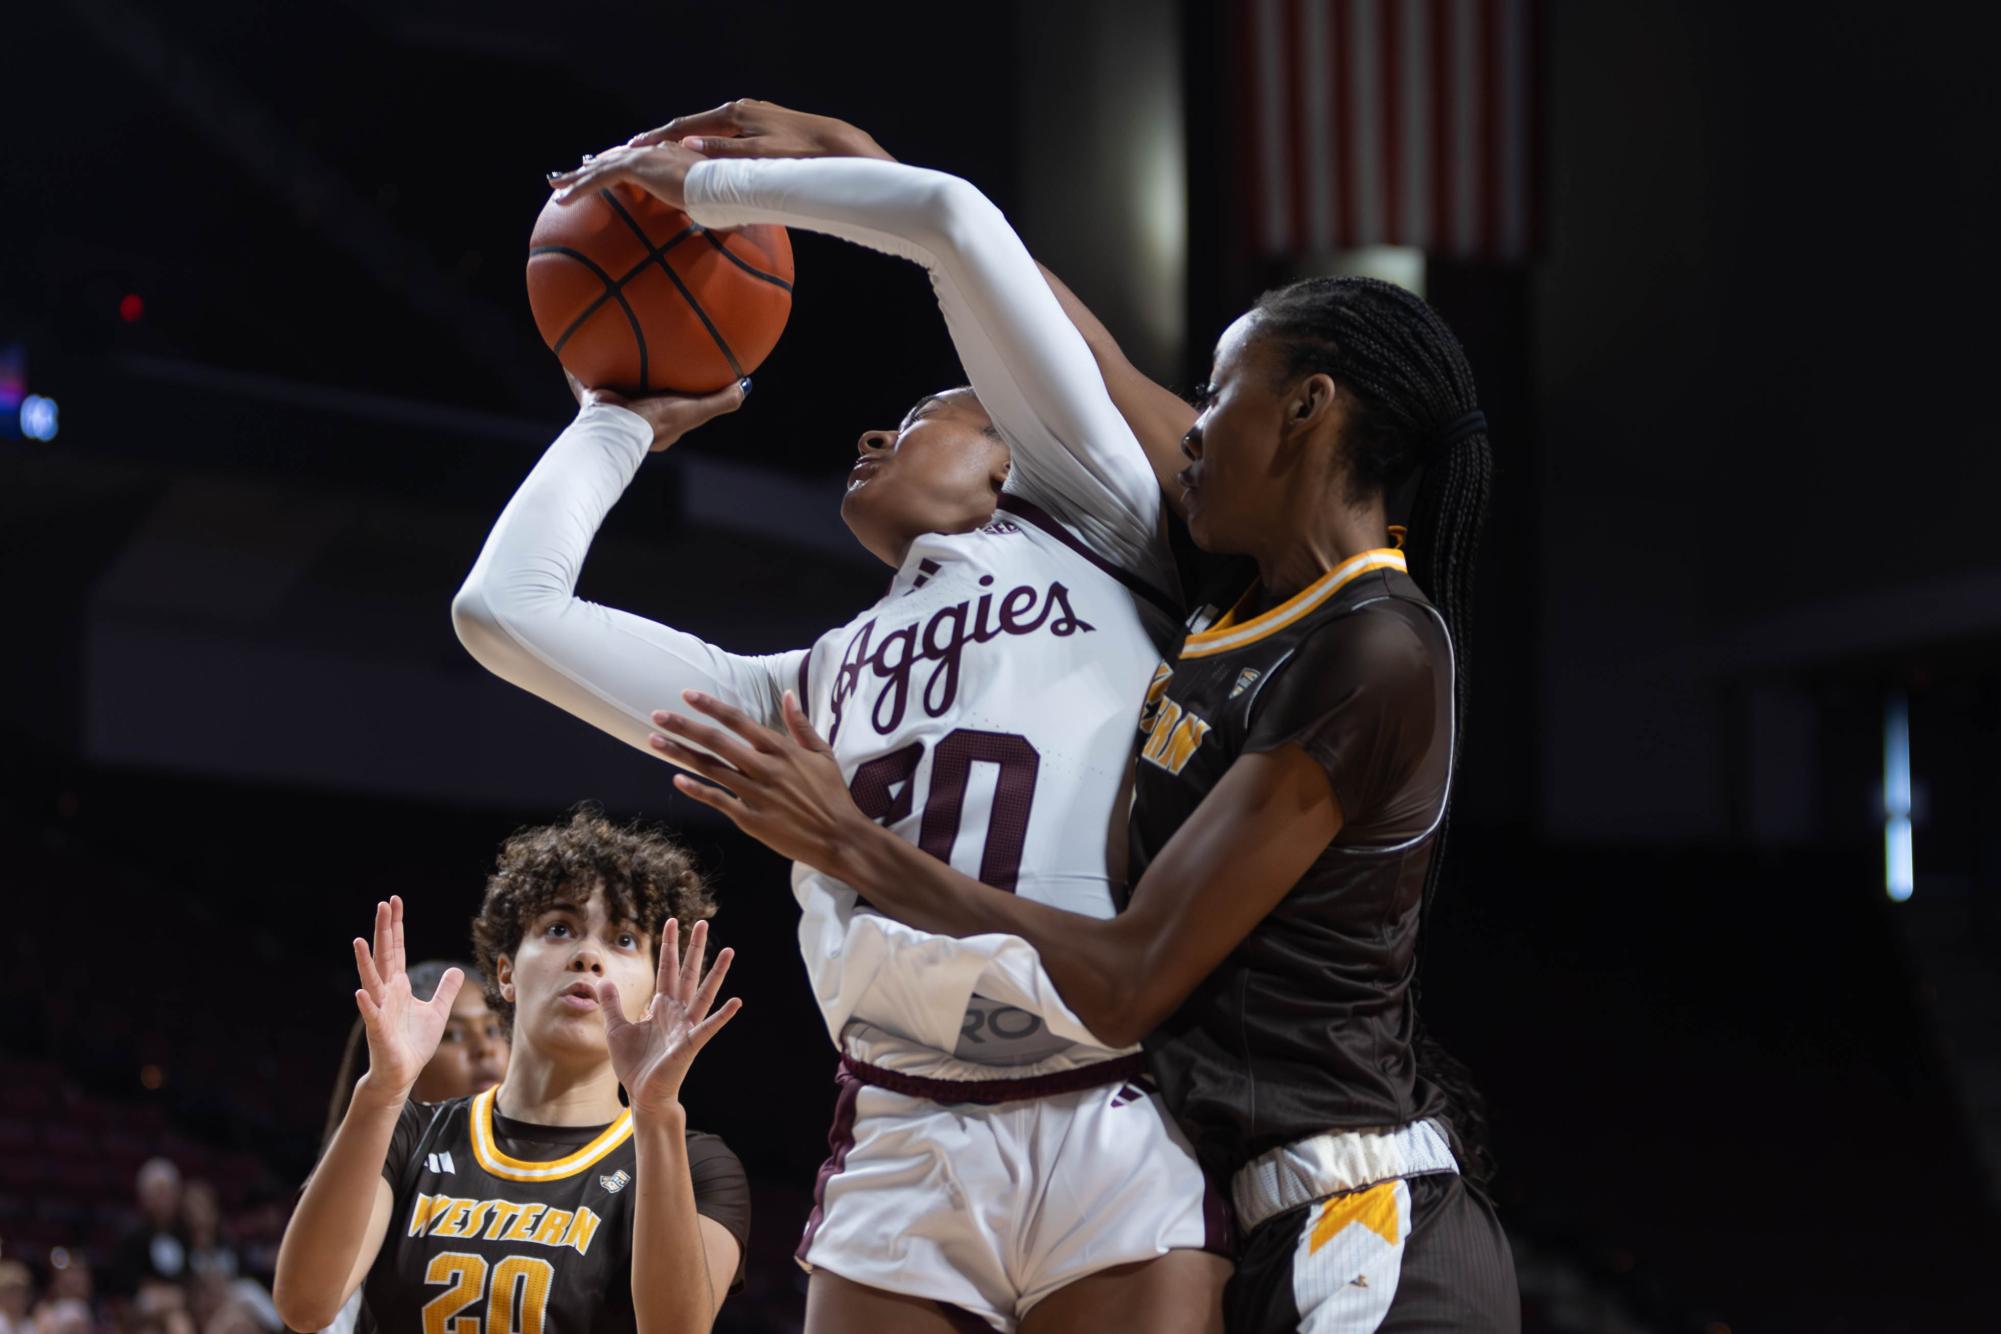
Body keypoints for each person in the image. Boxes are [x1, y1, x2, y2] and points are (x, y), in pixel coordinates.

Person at [460, 102, 1230, 1333]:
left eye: (929, 413)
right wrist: (616, 420)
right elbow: (504, 610)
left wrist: (712, 194)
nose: (877, 431)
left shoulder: (1099, 518)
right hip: (905, 1125)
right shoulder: (798, 687)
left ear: (1006, 459)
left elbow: (952, 222)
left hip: (1110, 1101)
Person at [657, 244, 1521, 1325]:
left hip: (1355, 1202)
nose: (1191, 424)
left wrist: (854, 845)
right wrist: (925, 220)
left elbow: (1124, 979)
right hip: (1257, 1213)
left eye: (1219, 392)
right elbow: (1094, 359)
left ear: (1308, 406)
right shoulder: (1232, 612)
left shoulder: (1375, 646)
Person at [271, 809, 749, 1334]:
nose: (588, 955)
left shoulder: (700, 1165)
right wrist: (383, 1090)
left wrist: (656, 1112)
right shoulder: (409, 1130)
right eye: (560, 928)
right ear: (505, 972)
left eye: (624, 939)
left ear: (655, 990)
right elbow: (303, 1305)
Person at [319, 960, 510, 1153]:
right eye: (453, 1035)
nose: (485, 1048)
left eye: (493, 1030)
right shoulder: (382, 1161)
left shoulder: (531, 1150)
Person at [108, 1157, 188, 1295]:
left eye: (169, 1192)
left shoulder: (184, 1234)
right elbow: (127, 1283)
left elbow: (188, 1277)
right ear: (143, 1196)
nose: (164, 1199)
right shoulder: (132, 1235)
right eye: (158, 1192)